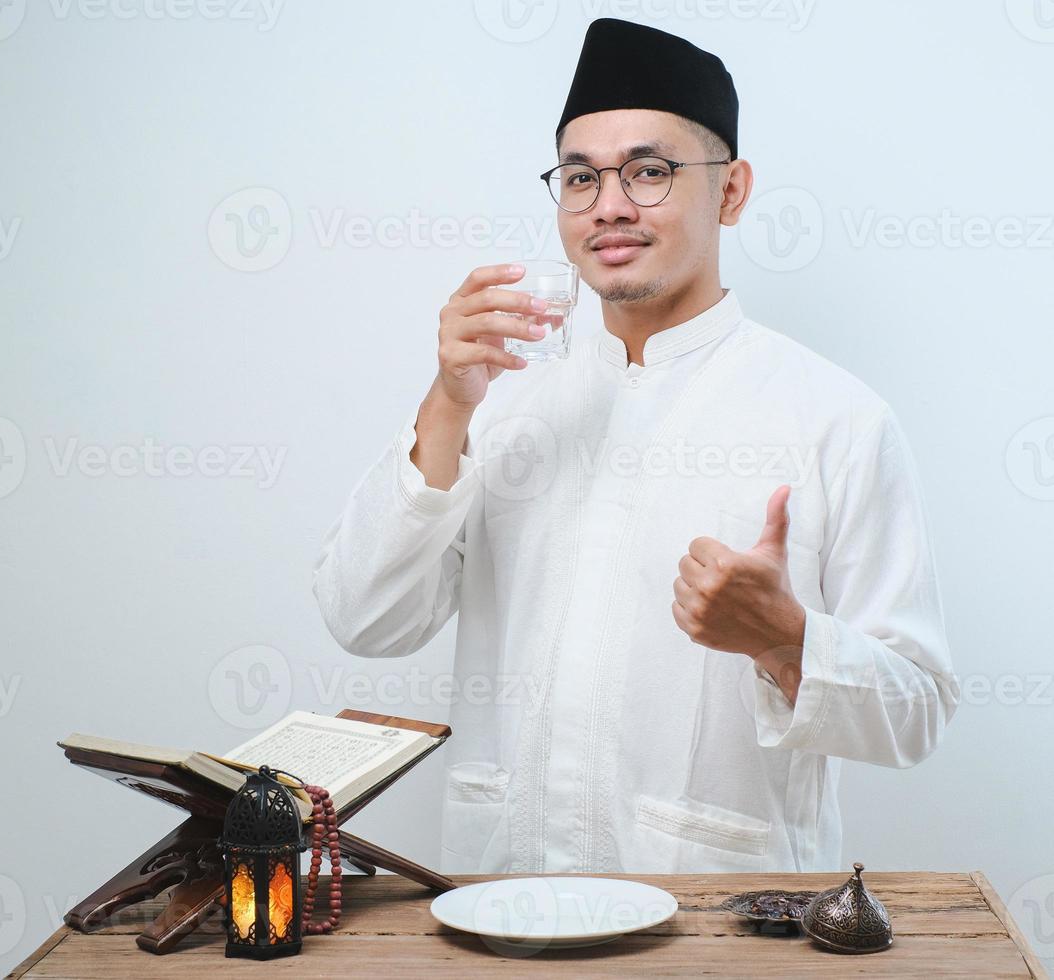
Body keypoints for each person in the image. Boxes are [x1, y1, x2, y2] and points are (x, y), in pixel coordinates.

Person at [312, 18, 958, 874]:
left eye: (649, 171)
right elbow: (365, 619)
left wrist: (785, 639)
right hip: (505, 904)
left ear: (731, 191)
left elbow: (917, 711)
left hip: (717, 925)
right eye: (581, 176)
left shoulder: (833, 417)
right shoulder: (503, 402)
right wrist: (448, 400)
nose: (609, 203)